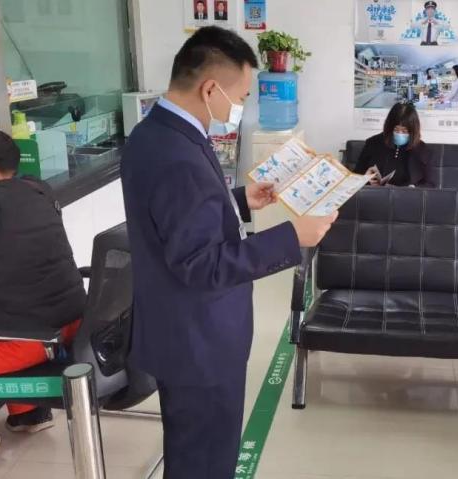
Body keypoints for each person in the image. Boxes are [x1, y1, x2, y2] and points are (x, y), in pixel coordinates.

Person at [120, 26, 336, 478]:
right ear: (210, 89)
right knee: (205, 461)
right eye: (241, 96)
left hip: (181, 332)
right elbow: (201, 264)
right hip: (199, 342)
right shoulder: (178, 155)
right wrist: (292, 237)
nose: (241, 107)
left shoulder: (155, 133)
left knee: (194, 452)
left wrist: (238, 200)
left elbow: (179, 222)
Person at [0, 129, 85, 464]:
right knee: (13, 304)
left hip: (26, 341)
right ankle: (29, 412)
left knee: (3, 321)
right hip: (73, 326)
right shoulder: (38, 189)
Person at [353, 102, 434, 188]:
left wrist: (413, 188)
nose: (400, 134)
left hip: (406, 196)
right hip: (376, 194)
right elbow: (355, 177)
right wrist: (365, 179)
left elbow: (431, 185)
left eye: (405, 131)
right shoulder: (373, 143)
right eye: (396, 130)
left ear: (413, 131)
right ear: (389, 128)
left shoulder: (423, 150)